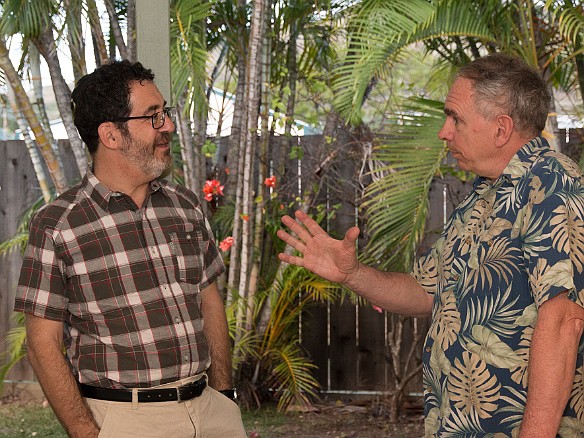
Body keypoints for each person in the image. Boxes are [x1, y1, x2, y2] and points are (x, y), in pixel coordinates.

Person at [277, 53, 584, 437]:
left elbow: (563, 321)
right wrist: (351, 274)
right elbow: (425, 291)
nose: (444, 131)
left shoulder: (549, 184)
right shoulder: (486, 194)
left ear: (501, 129)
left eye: (455, 117)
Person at [14, 60, 246, 438]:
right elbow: (43, 344)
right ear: (111, 135)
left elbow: (209, 301)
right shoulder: (58, 226)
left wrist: (223, 394)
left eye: (165, 113)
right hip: (126, 420)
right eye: (153, 116)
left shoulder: (184, 205)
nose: (167, 126)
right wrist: (85, 432)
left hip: (211, 412)